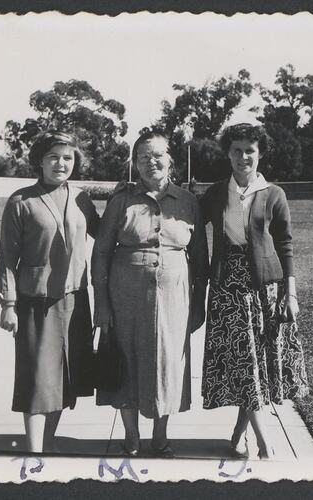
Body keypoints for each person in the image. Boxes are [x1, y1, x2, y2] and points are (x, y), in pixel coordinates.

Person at [92, 130, 208, 456]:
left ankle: (160, 436)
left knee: (169, 363)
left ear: (170, 160)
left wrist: (198, 304)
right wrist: (102, 304)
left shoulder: (187, 202)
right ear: (134, 163)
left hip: (175, 300)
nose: (151, 162)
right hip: (124, 295)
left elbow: (200, 260)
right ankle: (131, 436)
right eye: (143, 156)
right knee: (125, 361)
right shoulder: (121, 201)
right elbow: (100, 253)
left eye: (157, 155)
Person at [200, 123, 309, 459]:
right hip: (228, 288)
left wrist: (289, 293)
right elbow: (186, 219)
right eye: (236, 150)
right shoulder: (217, 192)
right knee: (245, 364)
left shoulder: (274, 193)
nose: (243, 156)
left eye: (250, 150)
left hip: (266, 288)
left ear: (260, 153)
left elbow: (285, 243)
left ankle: (238, 432)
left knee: (257, 364)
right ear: (227, 154)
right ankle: (264, 443)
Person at [0, 130, 99, 453]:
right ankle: (34, 451)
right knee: (37, 381)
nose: (61, 163)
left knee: (64, 381)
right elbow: (6, 257)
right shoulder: (20, 201)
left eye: (68, 158)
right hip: (35, 303)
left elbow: (107, 232)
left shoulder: (82, 198)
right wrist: (8, 304)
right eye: (53, 156)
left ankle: (48, 444)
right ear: (39, 160)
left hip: (75, 300)